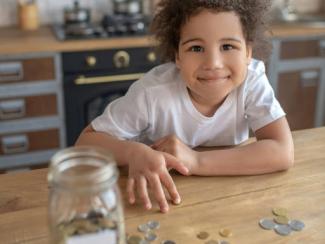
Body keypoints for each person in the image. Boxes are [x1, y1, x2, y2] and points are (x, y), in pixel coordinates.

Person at [76, 0, 294, 213]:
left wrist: (196, 161)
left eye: (228, 46)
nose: (213, 63)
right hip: (159, 199)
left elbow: (282, 151)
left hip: (227, 197)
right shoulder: (151, 93)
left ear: (248, 52)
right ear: (177, 56)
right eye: (196, 48)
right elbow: (84, 144)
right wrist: (133, 152)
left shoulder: (251, 81)